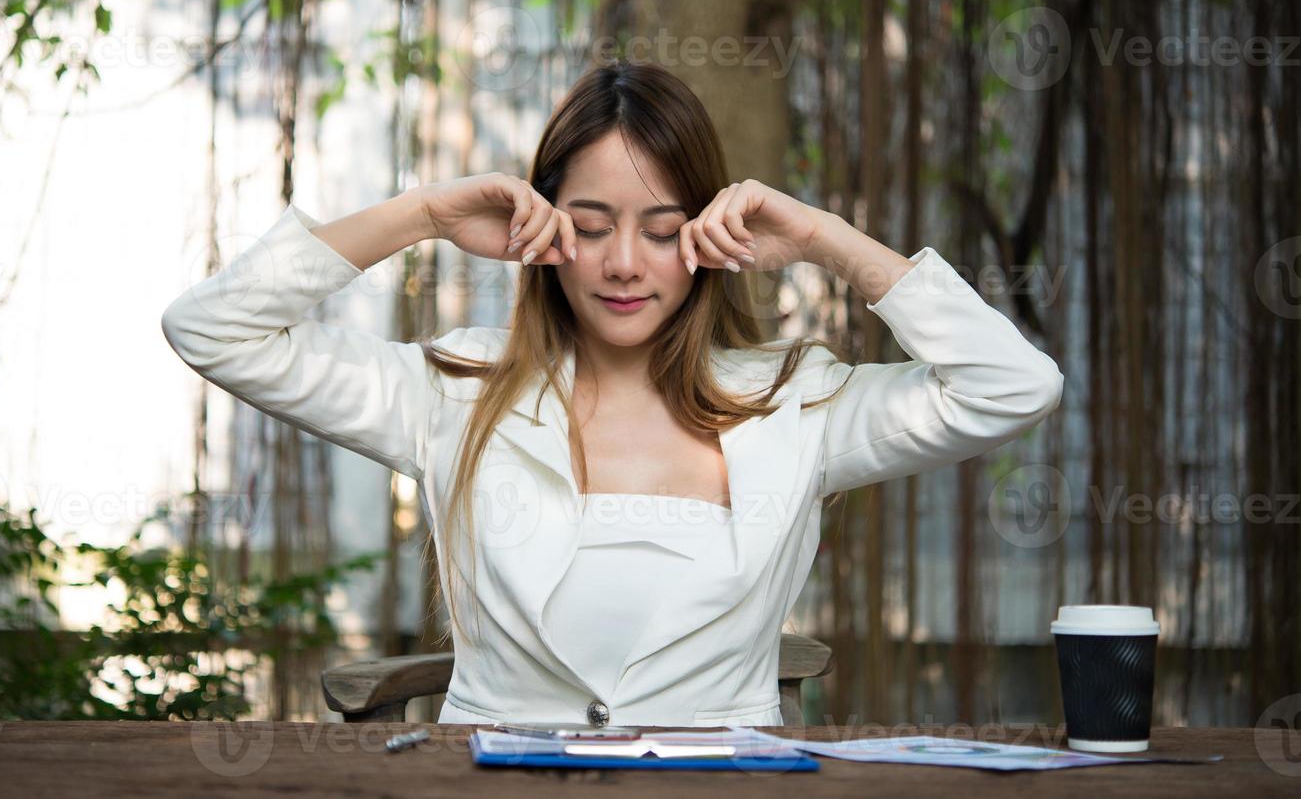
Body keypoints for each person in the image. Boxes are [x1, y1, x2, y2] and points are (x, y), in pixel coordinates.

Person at [160, 60, 1064, 728]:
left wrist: (826, 238)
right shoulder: (453, 390)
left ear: (711, 236)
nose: (624, 263)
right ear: (542, 229)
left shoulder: (796, 401)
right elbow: (213, 329)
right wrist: (425, 215)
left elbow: (1012, 386)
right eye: (589, 228)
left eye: (663, 231)